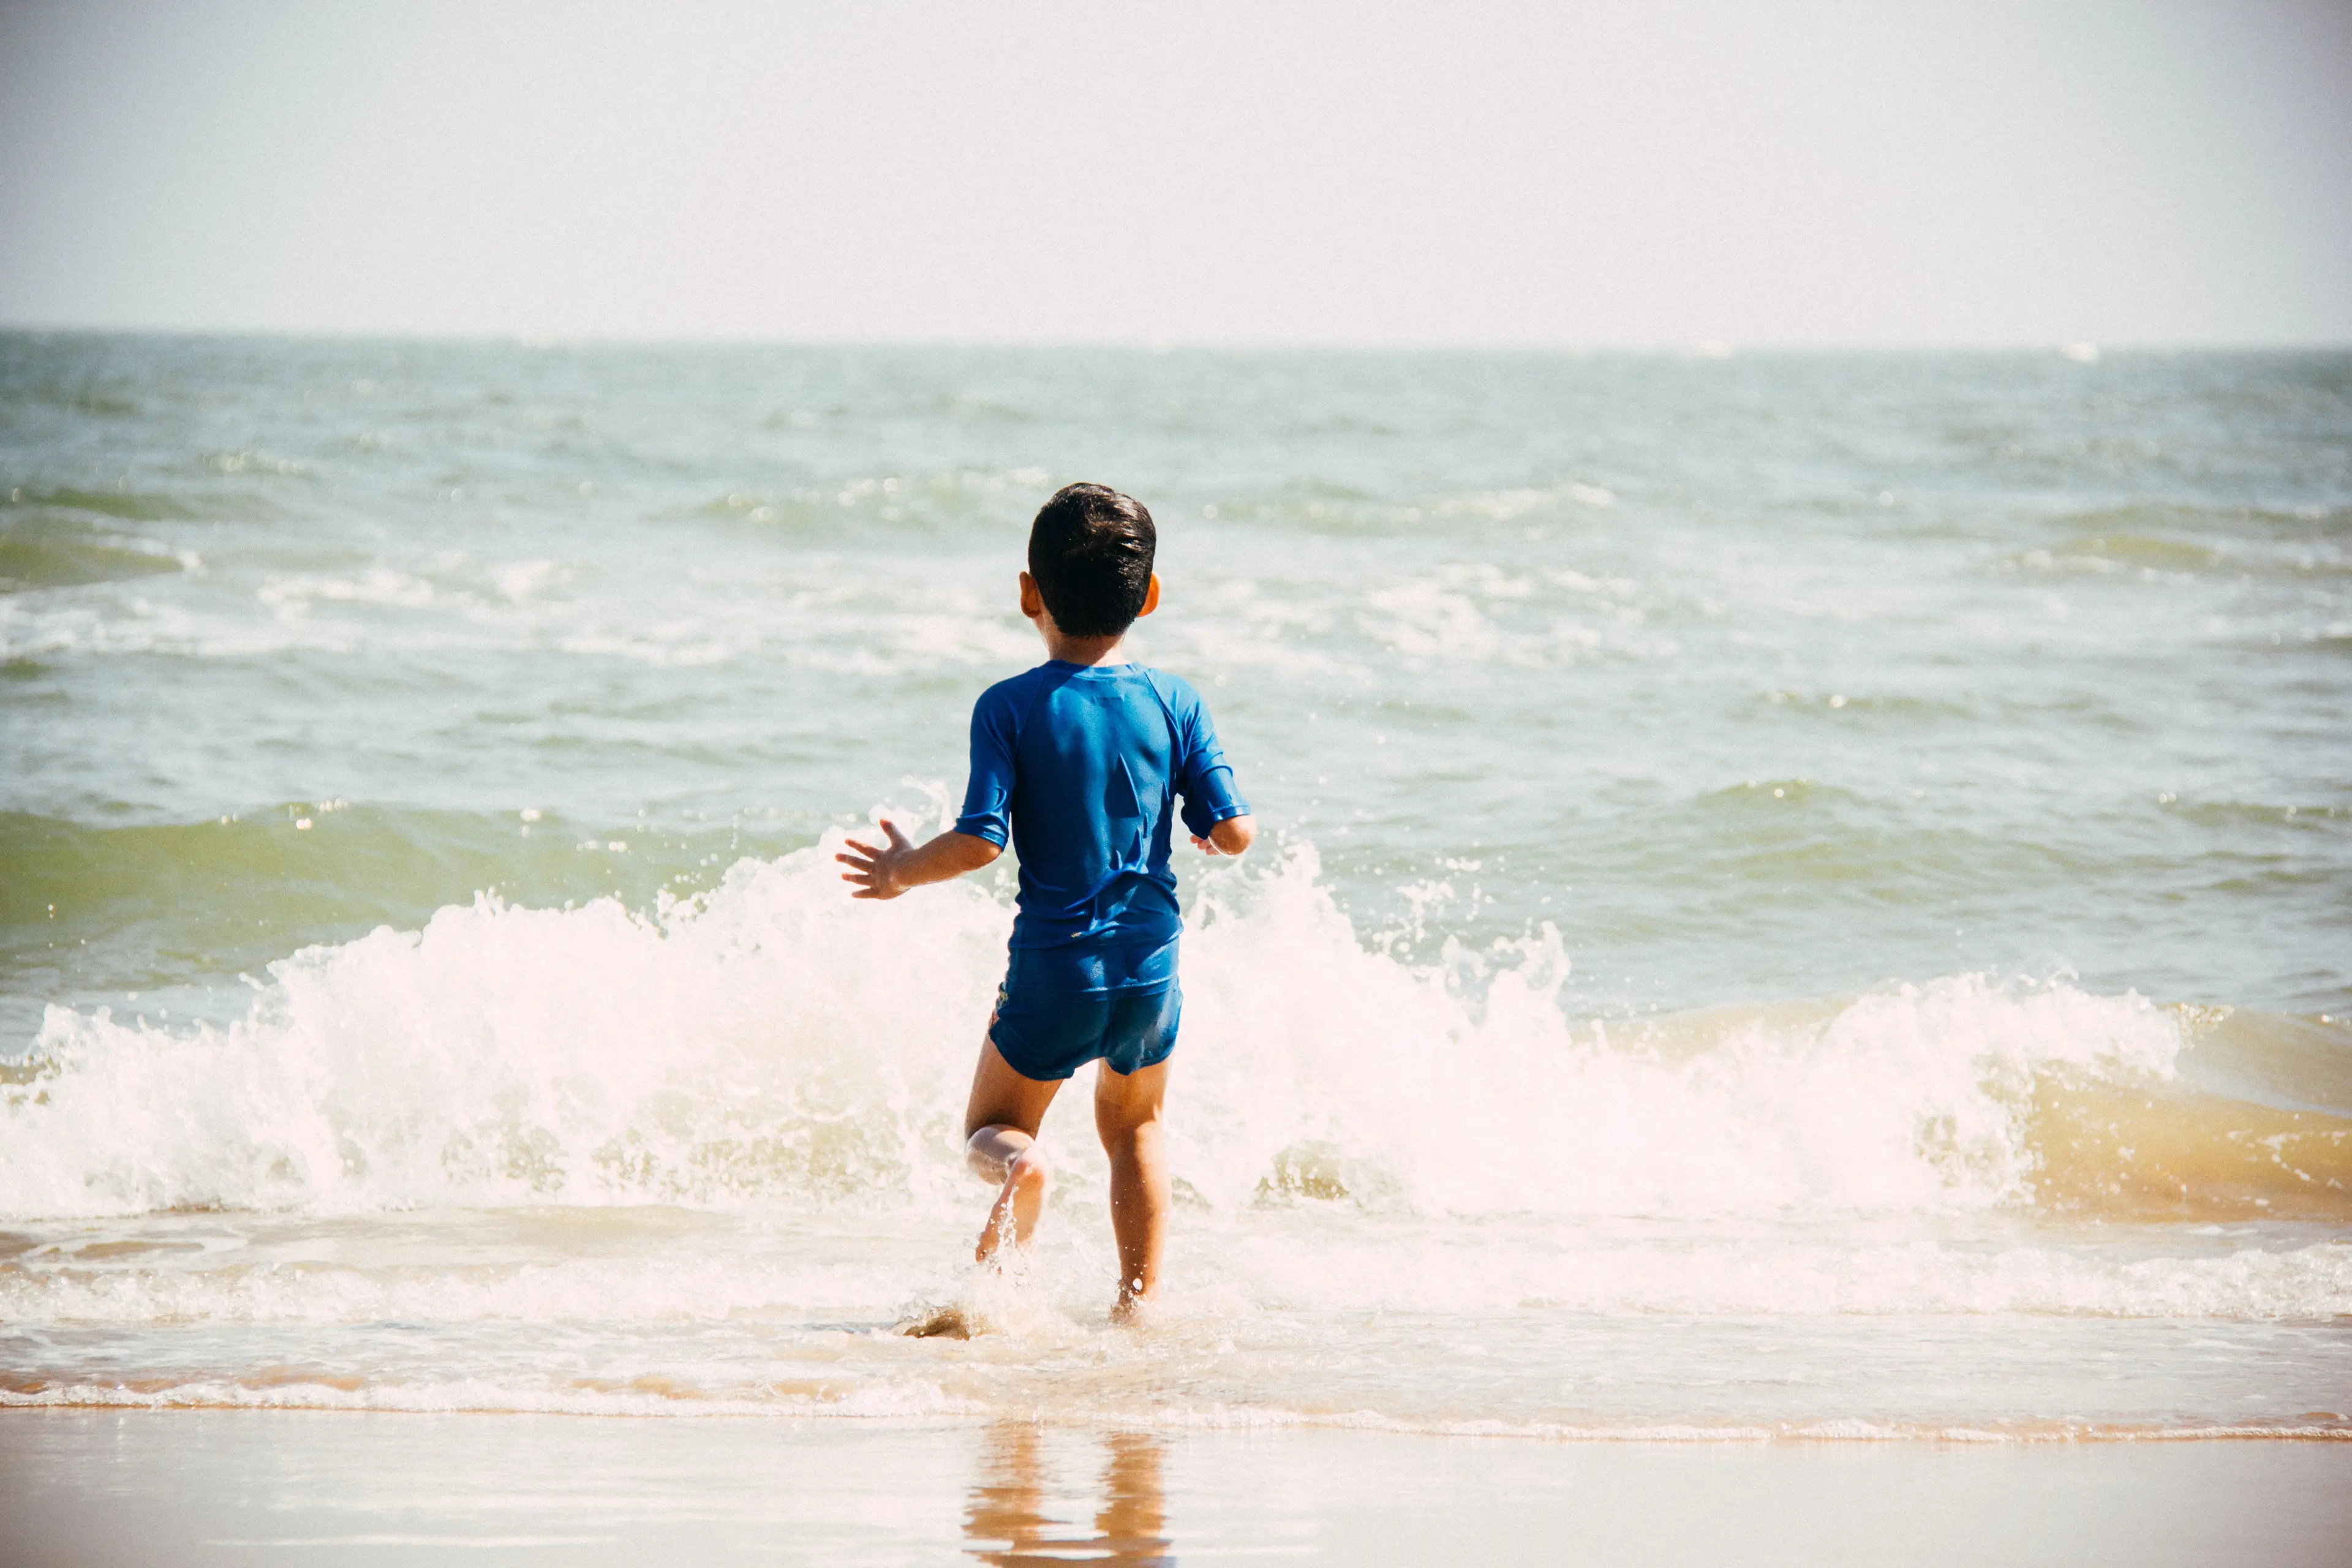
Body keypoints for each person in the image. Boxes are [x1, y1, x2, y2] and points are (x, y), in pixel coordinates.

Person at [837, 482, 1254, 1322]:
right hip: (1149, 967)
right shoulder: (1178, 702)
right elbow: (1236, 830)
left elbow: (983, 841)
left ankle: (1021, 1181)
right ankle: (1139, 1309)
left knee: (991, 1132)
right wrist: (1209, 835)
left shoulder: (1010, 707)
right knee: (1136, 1130)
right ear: (1151, 596)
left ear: (1029, 592)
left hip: (1055, 971)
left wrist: (901, 870)